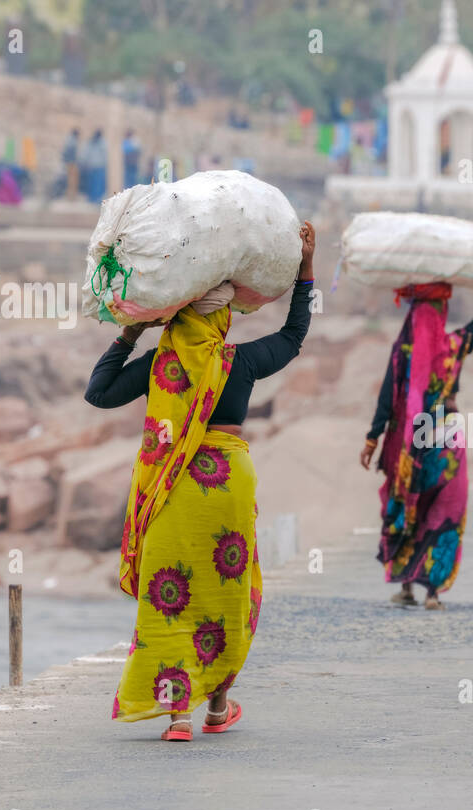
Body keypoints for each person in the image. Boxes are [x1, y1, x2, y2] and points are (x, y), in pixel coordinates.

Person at [84, 222, 316, 742]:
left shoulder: (158, 366)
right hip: (228, 482)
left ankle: (178, 718)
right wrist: (305, 270)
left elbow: (97, 394)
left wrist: (129, 333)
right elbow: (294, 337)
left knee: (171, 598)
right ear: (225, 319)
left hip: (172, 489)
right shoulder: (240, 361)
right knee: (223, 592)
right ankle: (217, 708)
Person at [360, 284, 473, 610]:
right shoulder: (453, 346)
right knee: (444, 510)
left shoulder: (402, 352)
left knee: (409, 507)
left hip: (408, 443)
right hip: (446, 440)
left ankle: (407, 587)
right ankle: (432, 592)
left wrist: (373, 438)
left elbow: (386, 398)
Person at [81, 129, 107, 204]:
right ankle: (94, 199)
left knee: (96, 183)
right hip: (96, 166)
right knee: (94, 183)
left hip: (96, 166)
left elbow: (86, 154)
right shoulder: (95, 143)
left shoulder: (99, 143)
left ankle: (95, 199)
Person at [62, 128, 80, 199]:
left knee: (71, 180)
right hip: (72, 164)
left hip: (69, 163)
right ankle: (71, 196)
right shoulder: (73, 141)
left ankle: (70, 196)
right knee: (72, 181)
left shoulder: (68, 140)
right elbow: (72, 153)